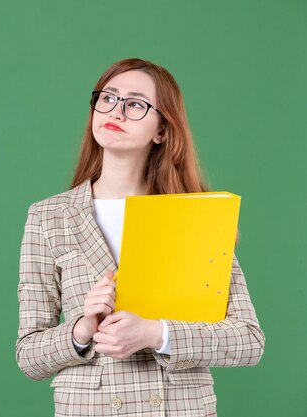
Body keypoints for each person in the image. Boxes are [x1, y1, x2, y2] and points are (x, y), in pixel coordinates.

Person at [15, 58, 265, 417]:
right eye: (108, 98)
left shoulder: (194, 215)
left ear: (161, 130)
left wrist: (156, 334)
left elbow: (248, 340)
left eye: (135, 104)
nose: (116, 110)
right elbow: (28, 355)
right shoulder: (48, 217)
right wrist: (84, 328)